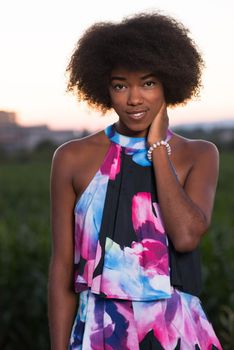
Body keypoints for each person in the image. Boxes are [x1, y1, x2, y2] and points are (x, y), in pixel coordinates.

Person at [48, 12, 223, 350]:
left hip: (178, 331)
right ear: (105, 88)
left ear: (168, 84)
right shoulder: (72, 158)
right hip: (99, 332)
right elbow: (60, 268)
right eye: (120, 85)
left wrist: (158, 147)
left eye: (147, 83)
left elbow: (186, 237)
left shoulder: (199, 154)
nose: (134, 99)